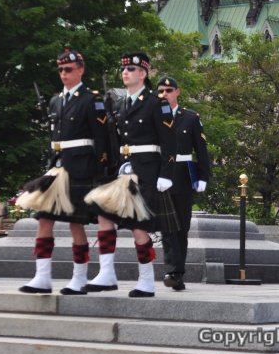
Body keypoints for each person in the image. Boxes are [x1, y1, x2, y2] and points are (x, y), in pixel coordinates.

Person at [84, 53, 177, 298]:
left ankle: (146, 279)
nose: (125, 73)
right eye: (124, 69)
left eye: (132, 69)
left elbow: (169, 140)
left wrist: (166, 173)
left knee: (139, 226)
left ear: (143, 73)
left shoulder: (157, 102)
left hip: (147, 169)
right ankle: (106, 272)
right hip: (124, 168)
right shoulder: (121, 102)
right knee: (103, 214)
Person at [18, 49, 109, 295]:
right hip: (57, 166)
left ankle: (79, 278)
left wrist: (102, 172)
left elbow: (101, 139)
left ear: (81, 70)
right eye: (60, 70)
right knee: (44, 219)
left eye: (68, 69)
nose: (63, 74)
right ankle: (42, 276)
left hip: (81, 168)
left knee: (74, 225)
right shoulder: (56, 100)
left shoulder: (92, 99)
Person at [155, 75, 210, 292]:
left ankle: (177, 271)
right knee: (167, 227)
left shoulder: (190, 118)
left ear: (177, 92)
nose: (164, 94)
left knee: (181, 228)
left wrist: (203, 177)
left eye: (168, 90)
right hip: (161, 177)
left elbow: (201, 151)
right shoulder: (154, 117)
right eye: (160, 91)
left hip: (183, 177)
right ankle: (173, 272)